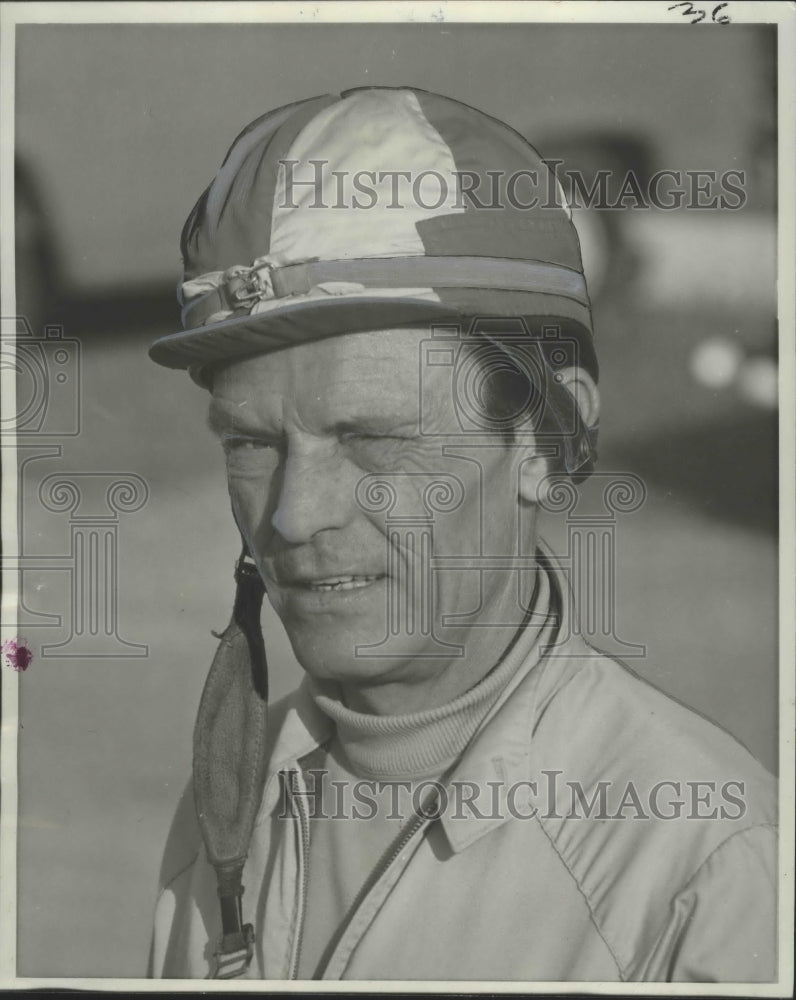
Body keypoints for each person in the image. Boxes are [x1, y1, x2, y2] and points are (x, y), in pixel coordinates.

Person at [147, 87, 776, 982]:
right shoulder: (228, 798)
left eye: (373, 437)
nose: (294, 513)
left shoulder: (708, 876)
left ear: (546, 438)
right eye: (252, 443)